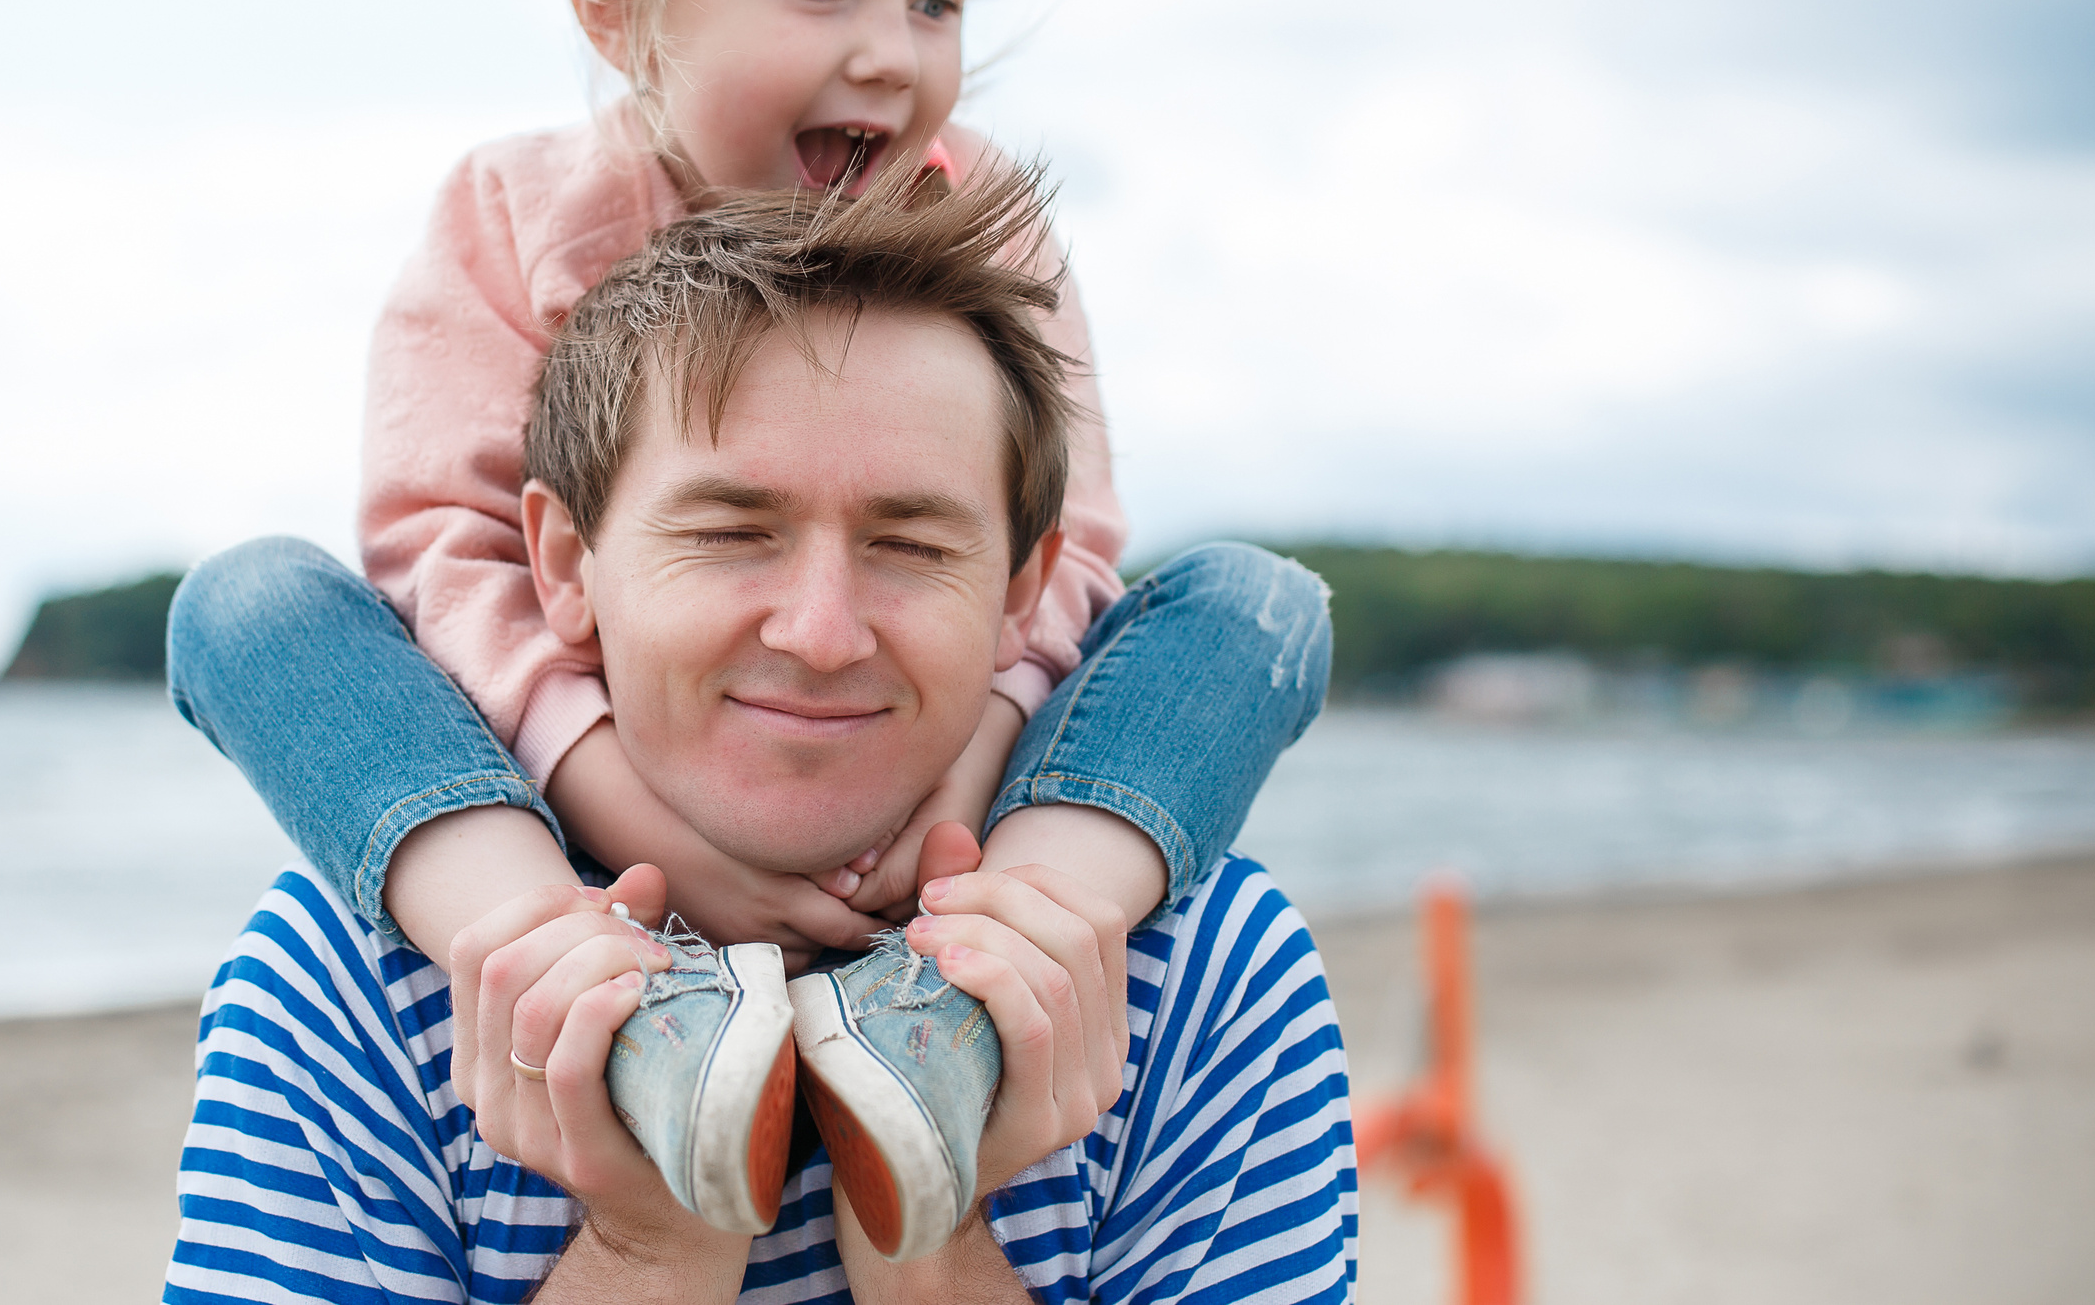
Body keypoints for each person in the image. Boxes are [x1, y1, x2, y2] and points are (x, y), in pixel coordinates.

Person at [166, 0, 1332, 1237]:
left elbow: (1066, 544)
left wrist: (959, 813)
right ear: (616, 1)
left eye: (936, 0)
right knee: (246, 604)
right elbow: (445, 546)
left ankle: (986, 965)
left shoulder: (974, 211)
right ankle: (575, 976)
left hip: (942, 807)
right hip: (570, 789)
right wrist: (628, 822)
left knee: (1258, 602)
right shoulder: (515, 218)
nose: (890, 55)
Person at [164, 176, 1358, 1302]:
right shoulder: (366, 972)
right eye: (732, 532)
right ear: (568, 567)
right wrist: (650, 1246)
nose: (823, 632)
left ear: (1019, 594)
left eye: (912, 545)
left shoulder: (1198, 977)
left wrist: (931, 1249)